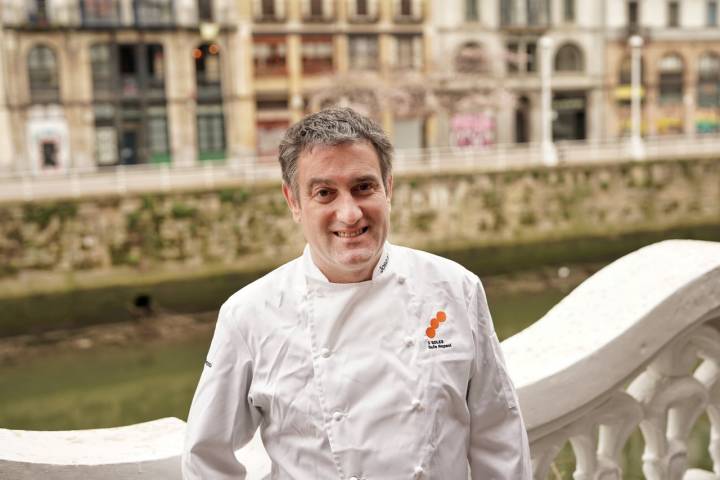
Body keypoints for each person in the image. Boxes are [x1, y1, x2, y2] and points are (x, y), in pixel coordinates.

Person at [182, 107, 531, 479]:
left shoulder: (456, 289)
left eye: (363, 187)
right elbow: (206, 456)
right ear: (294, 202)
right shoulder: (249, 314)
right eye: (324, 193)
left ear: (389, 188)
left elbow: (499, 434)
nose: (349, 214)